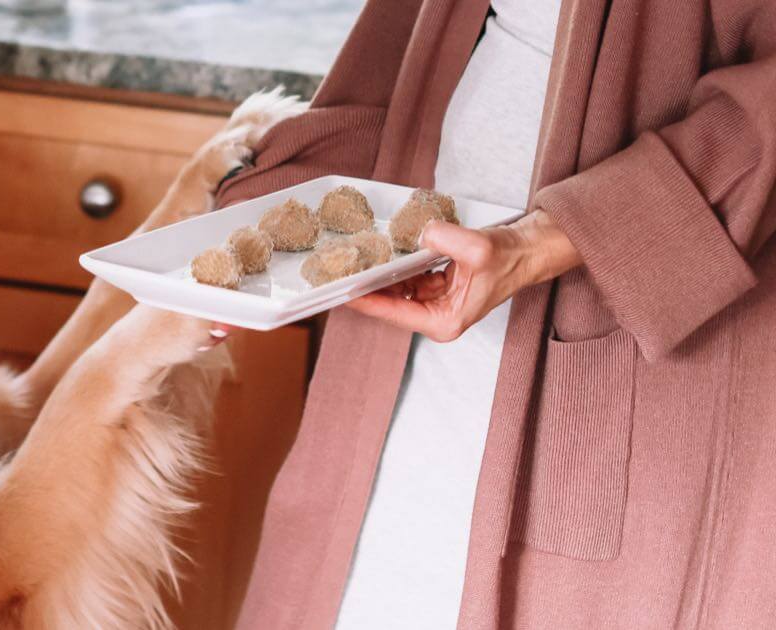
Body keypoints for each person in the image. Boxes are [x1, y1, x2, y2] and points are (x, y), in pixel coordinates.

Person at [213, 0, 776, 628]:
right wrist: (263, 207)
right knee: (355, 584)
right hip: (412, 303)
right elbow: (399, 53)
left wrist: (543, 243)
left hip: (631, 316)